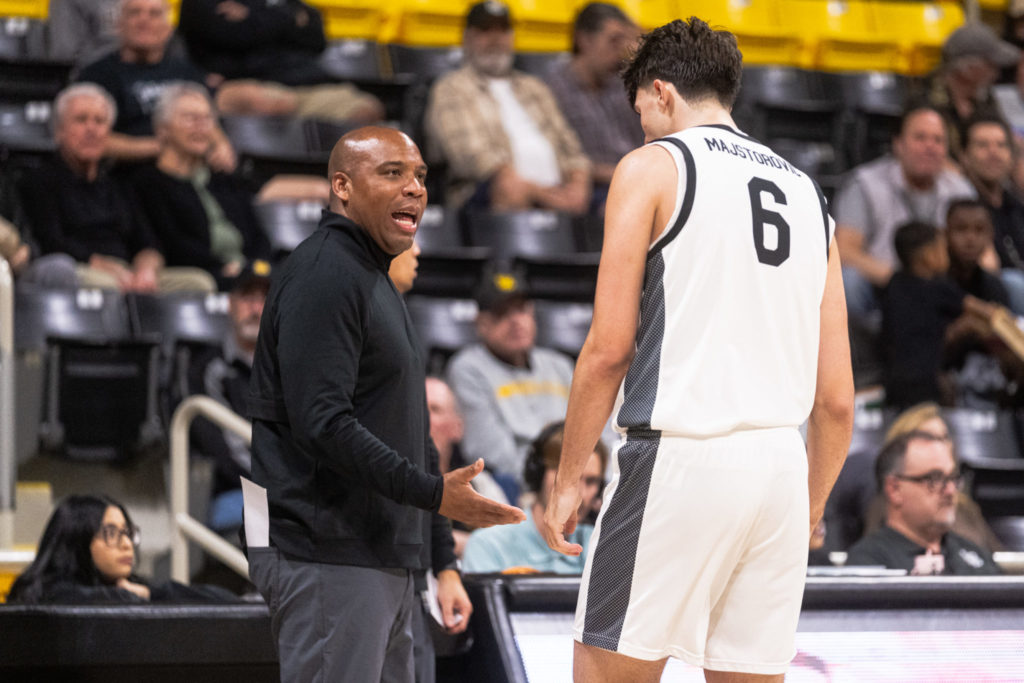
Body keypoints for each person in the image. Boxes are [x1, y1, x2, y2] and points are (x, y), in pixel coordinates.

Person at [539, 18, 854, 681]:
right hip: (778, 473)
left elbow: (607, 348)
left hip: (679, 457)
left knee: (604, 670)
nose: (642, 133)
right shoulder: (809, 195)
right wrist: (812, 503)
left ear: (661, 94)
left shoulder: (655, 165)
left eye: (642, 118)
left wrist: (569, 478)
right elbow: (836, 399)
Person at [246, 126, 525, 682]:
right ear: (343, 187)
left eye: (420, 176)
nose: (415, 188)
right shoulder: (326, 273)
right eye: (392, 172)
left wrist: (440, 556)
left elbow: (412, 434)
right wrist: (433, 496)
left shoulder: (373, 281)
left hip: (379, 552)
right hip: (327, 549)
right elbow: (321, 422)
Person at [18, 83, 215, 293]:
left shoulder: (119, 184)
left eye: (100, 121)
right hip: (79, 268)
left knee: (198, 283)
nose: (91, 129)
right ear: (59, 132)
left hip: (126, 271)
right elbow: (50, 242)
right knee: (107, 285)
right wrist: (100, 264)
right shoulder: (39, 181)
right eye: (81, 120)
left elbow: (147, 242)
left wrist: (146, 270)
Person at [424, 0, 591, 213]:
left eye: (503, 30)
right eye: (485, 30)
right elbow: (469, 157)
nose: (495, 39)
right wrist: (536, 191)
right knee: (510, 187)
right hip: (484, 192)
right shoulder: (451, 87)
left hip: (555, 190)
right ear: (467, 37)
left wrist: (578, 181)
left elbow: (571, 147)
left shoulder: (535, 87)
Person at [833, 105, 975, 322]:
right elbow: (844, 251)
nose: (930, 147)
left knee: (1011, 283)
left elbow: (988, 257)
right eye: (920, 138)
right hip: (883, 286)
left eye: (938, 140)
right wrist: (902, 281)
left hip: (945, 288)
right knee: (848, 280)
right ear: (898, 144)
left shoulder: (960, 189)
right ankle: (861, 350)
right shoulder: (864, 184)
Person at [128, 83, 270, 289]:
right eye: (190, 118)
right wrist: (224, 267)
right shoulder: (147, 183)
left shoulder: (222, 179)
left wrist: (254, 266)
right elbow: (171, 244)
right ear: (163, 129)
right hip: (204, 274)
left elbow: (258, 235)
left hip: (245, 271)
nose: (201, 126)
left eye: (206, 119)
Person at [445, 266, 575, 486]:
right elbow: (491, 453)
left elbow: (599, 431)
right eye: (502, 313)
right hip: (520, 489)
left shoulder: (560, 366)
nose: (515, 321)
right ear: (481, 323)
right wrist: (555, 482)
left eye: (521, 309)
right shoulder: (468, 369)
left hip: (577, 480)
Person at [76, 0, 238, 171]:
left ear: (169, 29)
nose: (144, 21)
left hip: (187, 173)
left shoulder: (188, 74)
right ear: (118, 25)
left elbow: (211, 123)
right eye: (134, 13)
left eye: (154, 14)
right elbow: (88, 139)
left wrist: (221, 143)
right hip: (129, 176)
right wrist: (164, 147)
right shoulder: (96, 76)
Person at [6, 494, 238, 604]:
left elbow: (223, 601)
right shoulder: (45, 594)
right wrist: (135, 597)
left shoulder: (130, 587)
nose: (127, 544)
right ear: (78, 541)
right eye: (112, 534)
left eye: (127, 533)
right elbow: (81, 601)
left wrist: (151, 594)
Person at [187, 259, 272, 536]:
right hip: (234, 490)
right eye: (248, 297)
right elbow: (222, 449)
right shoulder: (207, 368)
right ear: (230, 304)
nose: (256, 309)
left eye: (265, 299)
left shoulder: (290, 368)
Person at [845, 431, 1002, 575]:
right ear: (894, 489)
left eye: (952, 478)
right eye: (934, 479)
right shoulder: (867, 562)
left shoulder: (975, 553)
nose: (950, 491)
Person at [463, 421, 606, 574]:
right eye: (569, 479)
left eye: (591, 482)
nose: (581, 495)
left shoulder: (602, 546)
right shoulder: (489, 545)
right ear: (538, 475)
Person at [545, 2, 643, 212]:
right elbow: (559, 157)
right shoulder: (553, 90)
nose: (621, 51)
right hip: (592, 190)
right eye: (614, 41)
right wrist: (615, 172)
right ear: (584, 40)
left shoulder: (620, 85)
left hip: (635, 179)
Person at [921, 22, 1020, 162]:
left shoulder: (986, 99)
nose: (996, 74)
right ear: (967, 70)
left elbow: (1008, 141)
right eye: (991, 65)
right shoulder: (928, 104)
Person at [961, 115, 1024, 313]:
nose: (993, 153)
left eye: (1001, 145)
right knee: (1013, 283)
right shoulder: (962, 204)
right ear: (964, 155)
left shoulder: (1016, 203)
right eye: (983, 145)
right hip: (988, 295)